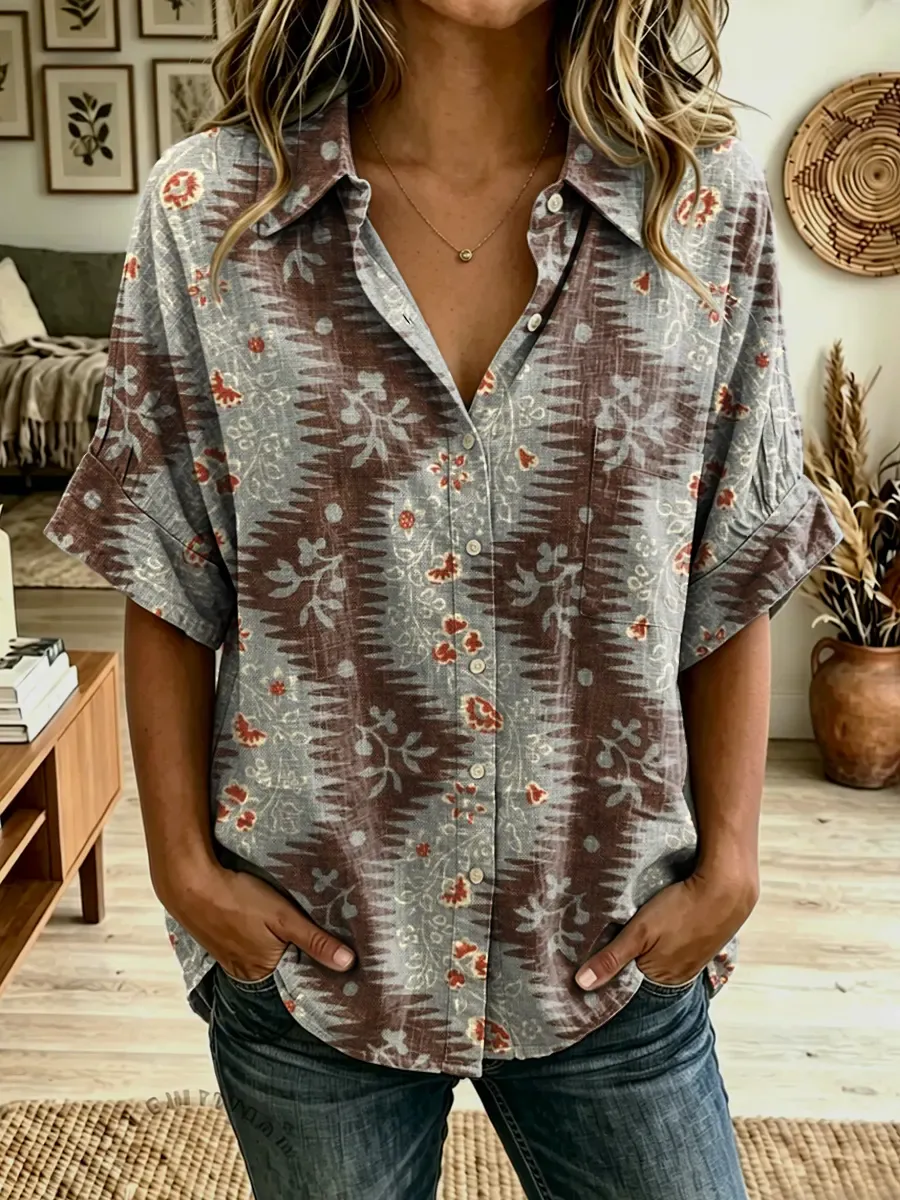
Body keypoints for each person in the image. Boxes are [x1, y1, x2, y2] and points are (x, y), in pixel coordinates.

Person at [45, 0, 842, 1196]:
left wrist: (728, 866)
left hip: (611, 934)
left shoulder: (699, 203)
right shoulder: (211, 211)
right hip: (313, 939)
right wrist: (181, 870)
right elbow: (167, 553)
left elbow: (736, 546)